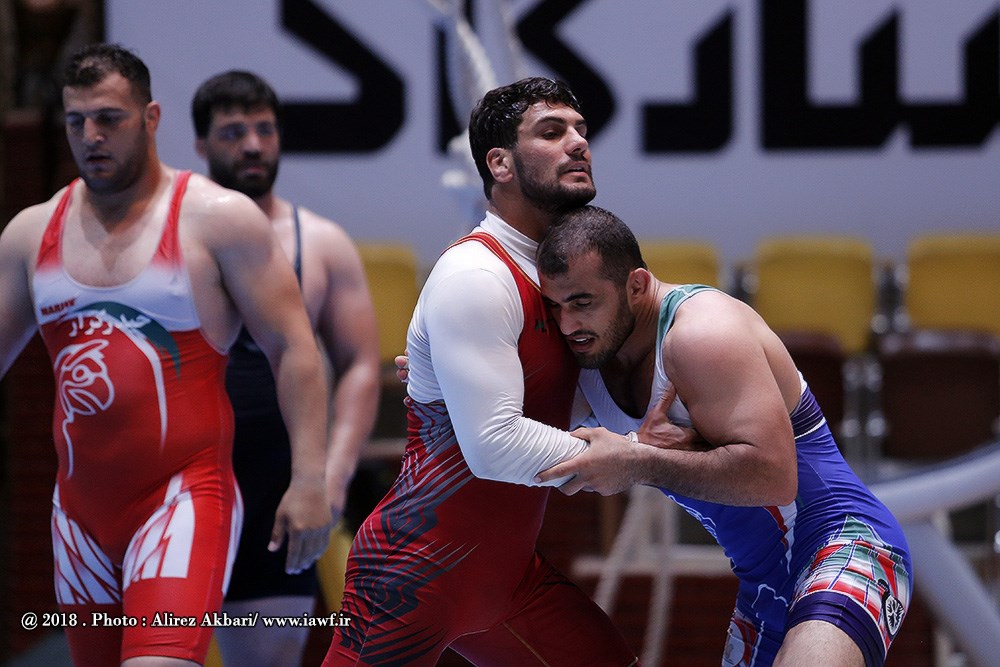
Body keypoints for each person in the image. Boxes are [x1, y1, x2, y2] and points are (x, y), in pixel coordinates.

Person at [0, 43, 333, 666]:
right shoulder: (29, 233)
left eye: (109, 118)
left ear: (150, 118)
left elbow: (294, 348)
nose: (91, 137)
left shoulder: (217, 220)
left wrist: (311, 478)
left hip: (183, 500)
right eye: (76, 121)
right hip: (78, 518)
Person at [324, 77, 638, 666]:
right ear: (499, 163)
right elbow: (493, 445)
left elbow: (580, 402)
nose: (578, 143)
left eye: (580, 130)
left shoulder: (559, 281)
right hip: (411, 574)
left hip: (508, 581)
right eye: (552, 131)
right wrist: (630, 459)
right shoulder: (476, 276)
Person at [534, 205, 913, 667]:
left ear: (636, 285)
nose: (568, 324)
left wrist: (638, 461)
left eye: (582, 303)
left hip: (844, 544)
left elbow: (775, 479)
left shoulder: (702, 334)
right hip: (764, 588)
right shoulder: (590, 349)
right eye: (555, 306)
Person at [190, 70, 381, 666]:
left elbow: (359, 366)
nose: (252, 145)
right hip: (181, 482)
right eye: (233, 132)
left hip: (276, 488)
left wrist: (331, 476)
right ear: (200, 144)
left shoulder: (321, 242)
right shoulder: (171, 240)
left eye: (265, 130)